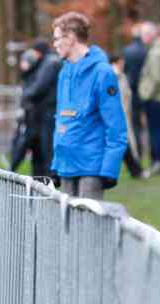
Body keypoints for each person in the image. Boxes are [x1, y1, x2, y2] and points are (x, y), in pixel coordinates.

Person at [51, 12, 127, 200]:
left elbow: (116, 126)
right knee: (66, 227)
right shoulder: (64, 72)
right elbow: (60, 120)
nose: (54, 44)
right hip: (66, 166)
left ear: (70, 38)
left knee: (87, 227)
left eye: (57, 39)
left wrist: (109, 170)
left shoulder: (103, 73)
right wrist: (56, 164)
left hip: (90, 167)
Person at [12, 40, 61, 177]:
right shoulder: (49, 62)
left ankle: (49, 177)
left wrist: (26, 96)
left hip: (46, 112)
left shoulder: (50, 63)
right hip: (43, 113)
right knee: (39, 149)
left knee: (45, 148)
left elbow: (39, 87)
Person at [139, 22, 160, 175]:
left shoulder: (155, 53)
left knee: (156, 132)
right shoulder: (158, 50)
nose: (142, 38)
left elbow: (156, 78)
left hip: (155, 99)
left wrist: (145, 95)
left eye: (144, 34)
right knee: (159, 131)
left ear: (151, 35)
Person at [109, 55, 147, 179]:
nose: (123, 64)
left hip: (120, 115)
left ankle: (135, 170)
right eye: (121, 62)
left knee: (123, 144)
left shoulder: (121, 76)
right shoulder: (113, 75)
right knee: (123, 143)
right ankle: (136, 170)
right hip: (116, 117)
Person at [123, 23, 147, 157]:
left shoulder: (127, 50)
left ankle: (138, 150)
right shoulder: (146, 50)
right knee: (148, 124)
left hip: (132, 90)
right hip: (145, 90)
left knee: (134, 123)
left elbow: (126, 70)